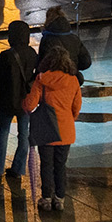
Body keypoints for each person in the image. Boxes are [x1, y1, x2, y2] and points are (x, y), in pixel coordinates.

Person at [24, 45, 82, 212]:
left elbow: (30, 104)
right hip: (66, 130)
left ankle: (47, 198)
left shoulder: (41, 80)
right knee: (60, 165)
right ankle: (60, 198)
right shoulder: (73, 80)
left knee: (46, 165)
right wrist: (70, 119)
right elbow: (76, 106)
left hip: (47, 129)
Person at [0, 19, 38, 178]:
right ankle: (18, 168)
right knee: (24, 134)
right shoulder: (32, 53)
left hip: (7, 101)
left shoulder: (6, 56)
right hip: (25, 101)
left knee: (3, 133)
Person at [38, 5, 93, 83]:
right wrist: (73, 68)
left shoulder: (47, 39)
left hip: (54, 81)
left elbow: (41, 64)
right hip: (72, 79)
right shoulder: (74, 38)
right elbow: (86, 61)